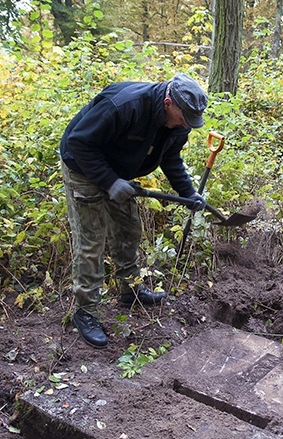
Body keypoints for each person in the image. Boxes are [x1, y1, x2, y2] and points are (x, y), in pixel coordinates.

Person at [59, 73, 208, 348]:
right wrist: (109, 182)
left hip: (118, 172)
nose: (185, 125)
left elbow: (170, 157)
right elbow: (79, 143)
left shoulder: (179, 121)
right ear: (167, 102)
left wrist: (188, 193)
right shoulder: (124, 105)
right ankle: (85, 311)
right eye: (182, 118)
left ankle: (130, 291)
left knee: (129, 230)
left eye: (189, 121)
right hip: (83, 166)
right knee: (92, 242)